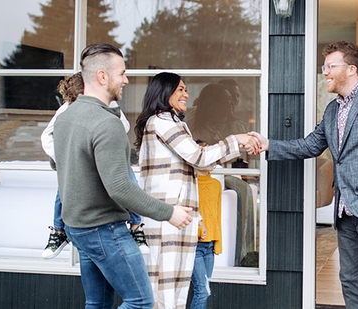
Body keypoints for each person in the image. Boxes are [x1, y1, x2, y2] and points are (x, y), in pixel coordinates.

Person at [249, 41, 358, 308]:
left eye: (330, 66)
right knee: (350, 282)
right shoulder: (332, 110)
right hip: (345, 212)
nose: (324, 71)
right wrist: (269, 144)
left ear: (351, 69)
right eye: (324, 67)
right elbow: (310, 146)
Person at [53, 44, 193, 309]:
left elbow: (59, 164)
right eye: (122, 73)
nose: (126, 80)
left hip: (78, 229)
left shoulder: (65, 118)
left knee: (97, 303)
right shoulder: (107, 123)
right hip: (104, 229)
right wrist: (169, 212)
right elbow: (120, 187)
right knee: (140, 301)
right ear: (102, 76)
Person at [134, 72, 259, 309]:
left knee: (171, 289)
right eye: (180, 89)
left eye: (185, 89)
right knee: (165, 292)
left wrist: (237, 145)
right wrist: (237, 140)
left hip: (173, 218)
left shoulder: (170, 122)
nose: (187, 95)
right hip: (167, 219)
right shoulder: (162, 122)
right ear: (165, 92)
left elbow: (198, 163)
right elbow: (199, 157)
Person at [40, 72, 149, 259]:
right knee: (62, 190)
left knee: (129, 181)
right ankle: (59, 230)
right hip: (80, 162)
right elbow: (46, 136)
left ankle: (136, 227)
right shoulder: (66, 110)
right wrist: (64, 157)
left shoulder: (109, 106)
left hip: (106, 156)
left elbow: (124, 126)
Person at [188, 140, 223, 309]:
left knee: (205, 290)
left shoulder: (216, 184)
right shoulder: (189, 184)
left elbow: (217, 216)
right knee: (202, 290)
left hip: (209, 246)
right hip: (194, 246)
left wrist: (218, 243)